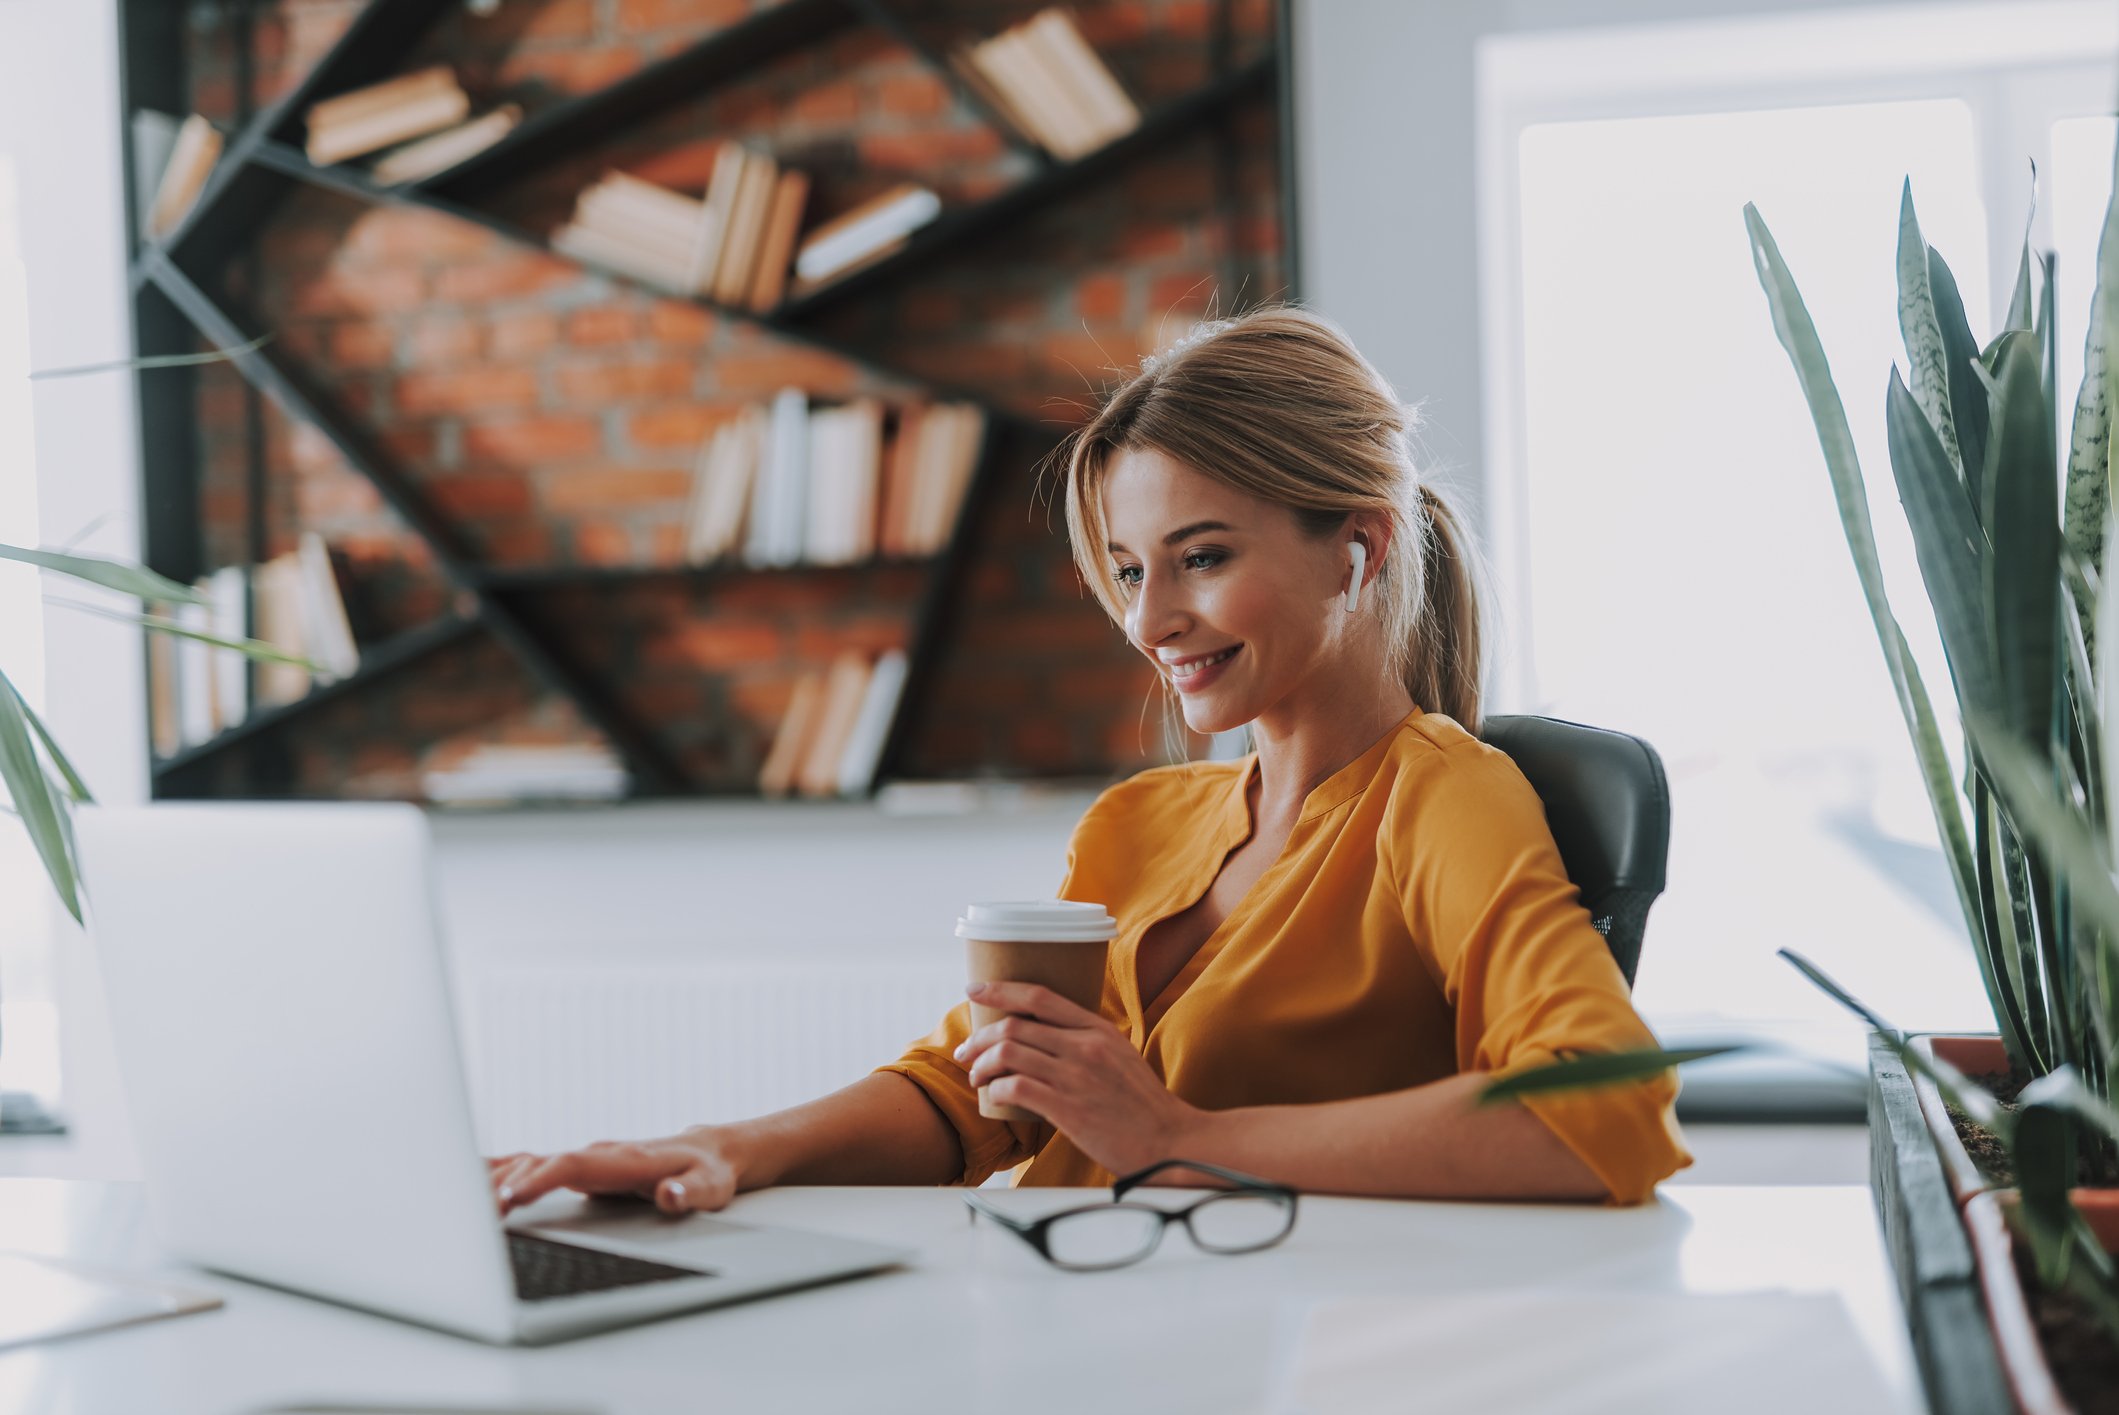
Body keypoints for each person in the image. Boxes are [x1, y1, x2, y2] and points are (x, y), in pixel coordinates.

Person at [488, 305, 1693, 1218]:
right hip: (1060, 1309)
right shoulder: (1140, 824)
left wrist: (1172, 1134)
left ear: (1355, 551)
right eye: (1128, 569)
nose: (1149, 619)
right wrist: (734, 1146)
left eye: (1202, 556)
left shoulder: (1443, 798)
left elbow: (1603, 1110)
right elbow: (982, 1089)